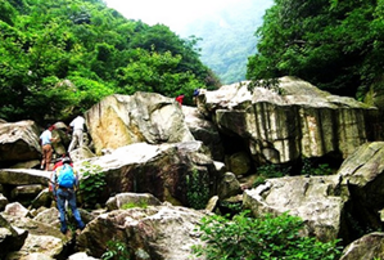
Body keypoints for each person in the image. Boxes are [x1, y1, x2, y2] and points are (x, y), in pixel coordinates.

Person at [50, 156, 85, 236]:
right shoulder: (73, 170)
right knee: (74, 209)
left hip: (60, 190)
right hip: (70, 191)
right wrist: (75, 190)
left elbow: (53, 181)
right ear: (70, 163)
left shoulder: (58, 169)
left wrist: (54, 193)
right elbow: (76, 181)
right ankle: (80, 224)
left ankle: (64, 227)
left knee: (61, 209)